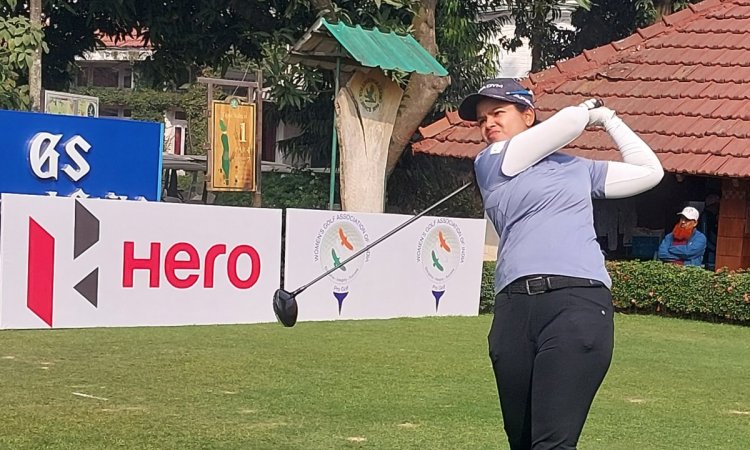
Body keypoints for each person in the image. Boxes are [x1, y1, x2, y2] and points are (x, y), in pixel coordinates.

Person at [457, 78, 663, 450]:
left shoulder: (577, 168)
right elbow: (569, 122)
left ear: (528, 115)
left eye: (498, 113)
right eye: (482, 119)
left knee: (552, 443)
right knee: (522, 441)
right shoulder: (490, 161)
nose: (488, 124)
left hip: (577, 302)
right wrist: (588, 111)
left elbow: (650, 171)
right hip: (514, 309)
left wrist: (611, 120)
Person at [699, 194, 719, 270]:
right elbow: (704, 235)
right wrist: (714, 248)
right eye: (716, 205)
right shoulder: (705, 216)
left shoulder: (713, 216)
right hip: (707, 252)